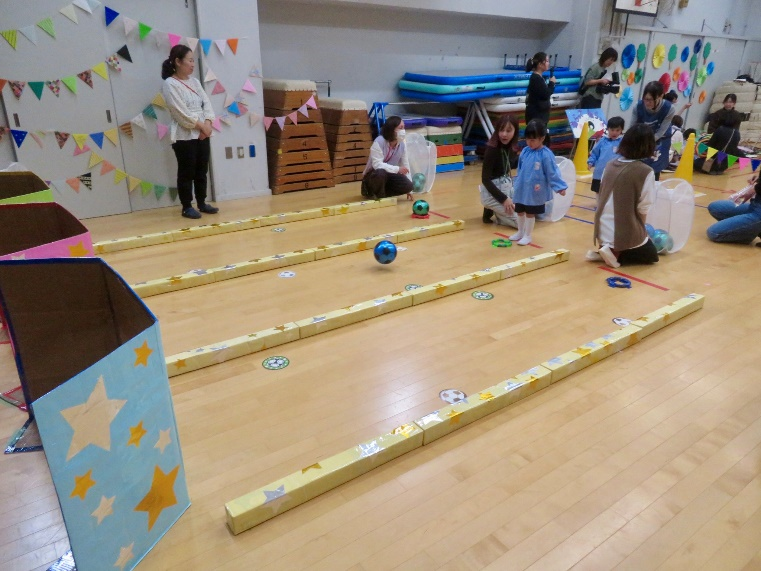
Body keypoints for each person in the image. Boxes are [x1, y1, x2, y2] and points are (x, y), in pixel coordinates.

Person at [588, 124, 659, 268]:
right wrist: (643, 233)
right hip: (621, 233)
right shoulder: (645, 171)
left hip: (601, 231)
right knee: (652, 255)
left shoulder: (609, 165)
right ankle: (616, 254)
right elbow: (643, 208)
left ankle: (605, 248)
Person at [162, 45, 218, 220]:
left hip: (203, 133)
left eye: (194, 60)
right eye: (190, 60)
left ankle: (202, 203)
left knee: (202, 170)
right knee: (187, 172)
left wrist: (207, 124)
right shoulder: (170, 84)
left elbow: (206, 104)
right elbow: (180, 113)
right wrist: (202, 127)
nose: (193, 64)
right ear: (178, 62)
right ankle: (186, 206)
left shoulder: (195, 82)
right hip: (184, 135)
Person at [508, 120, 567, 246]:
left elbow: (552, 172)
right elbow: (520, 168)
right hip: (522, 187)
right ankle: (520, 232)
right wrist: (516, 182)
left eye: (533, 140)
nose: (529, 142)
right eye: (527, 139)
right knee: (519, 210)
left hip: (535, 189)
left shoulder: (546, 155)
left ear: (542, 138)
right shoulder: (525, 151)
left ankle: (527, 235)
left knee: (530, 213)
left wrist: (559, 187)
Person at [630, 81, 675, 181]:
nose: (647, 103)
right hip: (641, 139)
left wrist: (647, 143)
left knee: (654, 168)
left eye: (650, 100)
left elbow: (661, 132)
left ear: (661, 96)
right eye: (645, 99)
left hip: (660, 139)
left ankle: (653, 187)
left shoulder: (669, 108)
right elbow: (632, 128)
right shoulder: (638, 106)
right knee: (637, 167)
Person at [480, 114, 520, 225]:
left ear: (515, 132)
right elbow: (485, 179)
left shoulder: (511, 147)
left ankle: (498, 213)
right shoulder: (492, 149)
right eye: (501, 130)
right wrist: (504, 199)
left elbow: (508, 165)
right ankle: (494, 209)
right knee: (522, 223)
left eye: (508, 131)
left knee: (527, 213)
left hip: (505, 188)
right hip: (493, 193)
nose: (504, 134)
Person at [361, 116, 413, 200]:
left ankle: (382, 194)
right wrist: (397, 169)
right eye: (401, 128)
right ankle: (370, 191)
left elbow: (405, 164)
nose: (403, 131)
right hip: (373, 175)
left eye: (404, 127)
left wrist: (409, 190)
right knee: (380, 172)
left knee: (409, 185)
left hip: (389, 175)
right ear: (392, 130)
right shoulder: (379, 142)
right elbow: (377, 165)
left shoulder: (402, 144)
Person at [706, 174, 761, 244]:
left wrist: (756, 188)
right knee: (715, 207)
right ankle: (749, 232)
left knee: (713, 233)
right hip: (754, 205)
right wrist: (758, 179)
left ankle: (750, 231)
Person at [525, 52, 556, 143]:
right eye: (547, 61)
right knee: (539, 141)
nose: (548, 63)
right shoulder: (536, 79)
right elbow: (546, 94)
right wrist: (552, 83)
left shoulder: (539, 78)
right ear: (540, 64)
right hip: (536, 116)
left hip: (540, 116)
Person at [587, 116, 624, 193]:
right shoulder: (602, 141)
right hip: (600, 172)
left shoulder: (623, 142)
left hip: (616, 172)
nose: (614, 132)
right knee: (598, 190)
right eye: (612, 130)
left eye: (617, 130)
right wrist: (590, 162)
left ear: (621, 130)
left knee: (611, 192)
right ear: (608, 129)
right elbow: (595, 153)